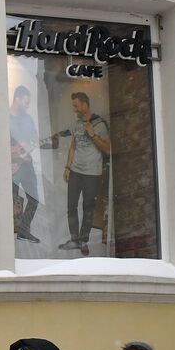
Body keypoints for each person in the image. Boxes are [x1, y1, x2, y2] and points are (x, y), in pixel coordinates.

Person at [59, 92, 110, 254]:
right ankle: (74, 239)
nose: (74, 109)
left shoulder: (100, 124)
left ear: (84, 104)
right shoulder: (77, 124)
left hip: (92, 173)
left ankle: (83, 240)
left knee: (88, 207)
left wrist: (93, 134)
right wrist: (68, 167)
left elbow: (108, 149)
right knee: (71, 206)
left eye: (76, 105)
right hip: (75, 171)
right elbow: (73, 146)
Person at [8, 85, 41, 243]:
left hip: (27, 164)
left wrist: (34, 141)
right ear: (17, 98)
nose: (27, 106)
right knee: (11, 201)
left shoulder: (28, 119)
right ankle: (8, 234)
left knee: (34, 199)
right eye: (25, 103)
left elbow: (34, 138)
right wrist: (14, 150)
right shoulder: (5, 118)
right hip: (11, 165)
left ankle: (24, 229)